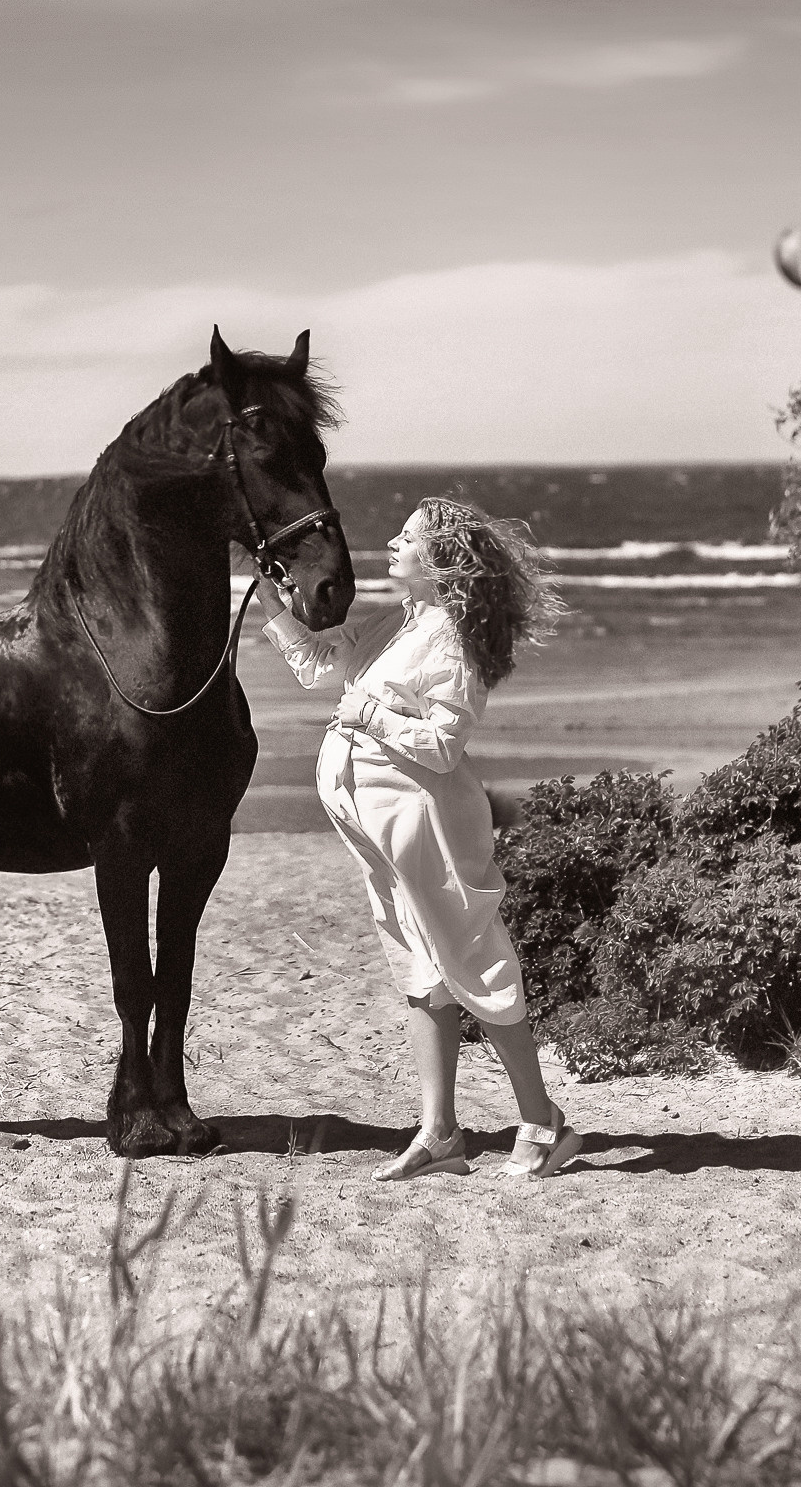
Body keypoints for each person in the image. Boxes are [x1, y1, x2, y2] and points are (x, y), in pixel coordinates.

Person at [255, 496, 584, 1181]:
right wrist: (270, 595)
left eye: (407, 537)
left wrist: (369, 712)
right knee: (419, 970)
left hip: (425, 820)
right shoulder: (390, 625)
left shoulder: (455, 639)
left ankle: (544, 1122)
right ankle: (440, 1135)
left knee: (472, 957)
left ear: (441, 561)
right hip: (374, 825)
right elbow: (316, 666)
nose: (391, 543)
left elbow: (442, 745)